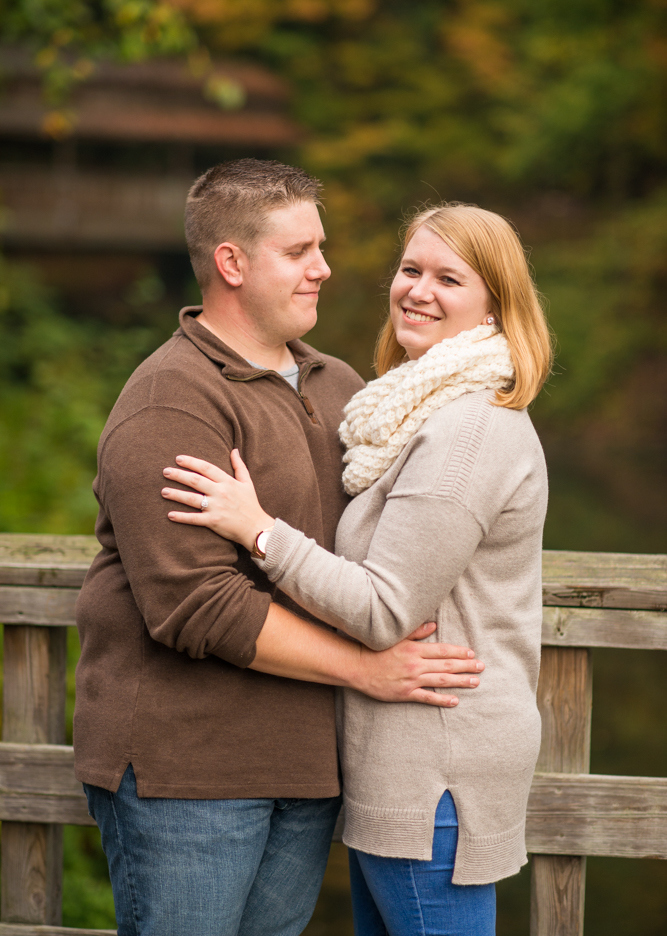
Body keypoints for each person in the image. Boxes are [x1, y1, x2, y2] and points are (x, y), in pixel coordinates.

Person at [74, 161, 484, 936]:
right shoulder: (172, 400)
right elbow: (197, 606)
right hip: (188, 774)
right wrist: (368, 669)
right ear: (232, 262)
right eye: (299, 252)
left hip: (307, 765)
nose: (323, 268)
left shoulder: (339, 388)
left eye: (320, 247)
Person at [161, 201, 553, 936]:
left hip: (436, 760)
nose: (418, 291)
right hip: (409, 752)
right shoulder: (411, 412)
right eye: (410, 270)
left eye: (448, 279)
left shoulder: (465, 431)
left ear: (495, 305)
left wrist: (258, 531)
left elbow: (382, 609)